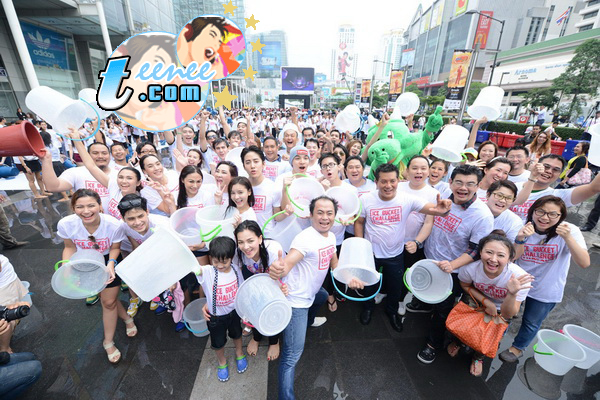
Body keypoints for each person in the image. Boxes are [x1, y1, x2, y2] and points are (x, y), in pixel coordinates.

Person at [268, 196, 363, 400]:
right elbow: (287, 263)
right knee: (292, 355)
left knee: (321, 296)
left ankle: (308, 322)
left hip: (311, 293)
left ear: (335, 217)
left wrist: (351, 279)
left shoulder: (330, 238)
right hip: (296, 301)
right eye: (319, 212)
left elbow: (335, 266)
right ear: (311, 215)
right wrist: (278, 269)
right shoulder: (305, 239)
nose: (325, 217)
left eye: (329, 213)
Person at [355, 163, 452, 331]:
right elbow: (359, 222)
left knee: (395, 286)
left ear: (398, 181)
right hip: (371, 253)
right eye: (383, 182)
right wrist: (360, 247)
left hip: (395, 254)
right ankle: (368, 308)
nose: (388, 185)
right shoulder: (366, 199)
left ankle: (392, 311)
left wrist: (441, 210)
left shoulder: (407, 199)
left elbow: (433, 209)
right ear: (376, 182)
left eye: (392, 181)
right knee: (369, 283)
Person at [413, 165, 494, 364]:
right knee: (425, 290)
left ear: (478, 186)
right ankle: (423, 305)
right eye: (458, 182)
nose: (463, 188)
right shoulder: (442, 195)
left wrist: (452, 265)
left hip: (454, 271)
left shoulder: (482, 215)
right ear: (450, 182)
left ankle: (433, 344)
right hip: (430, 257)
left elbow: (477, 250)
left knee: (443, 309)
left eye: (470, 184)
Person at [499, 196, 589, 362]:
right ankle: (495, 339)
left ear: (560, 217)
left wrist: (568, 238)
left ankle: (517, 348)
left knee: (531, 322)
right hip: (519, 283)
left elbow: (584, 262)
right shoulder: (522, 226)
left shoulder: (570, 231)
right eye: (540, 211)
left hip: (547, 287)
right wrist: (520, 239)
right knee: (506, 315)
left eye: (552, 214)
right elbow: (512, 258)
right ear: (533, 211)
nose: (545, 217)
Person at [57, 189, 134, 364]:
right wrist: (66, 268)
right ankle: (127, 319)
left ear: (100, 205)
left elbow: (115, 247)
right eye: (80, 207)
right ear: (73, 208)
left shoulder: (114, 224)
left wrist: (111, 263)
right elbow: (69, 247)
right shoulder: (66, 224)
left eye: (91, 205)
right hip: (82, 260)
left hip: (108, 259)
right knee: (106, 298)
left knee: (108, 302)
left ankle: (108, 341)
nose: (86, 211)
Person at [452, 231, 533, 376]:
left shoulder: (519, 278)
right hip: (478, 299)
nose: (493, 259)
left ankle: (478, 358)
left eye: (501, 255)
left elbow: (510, 313)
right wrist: (486, 302)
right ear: (481, 252)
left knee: (490, 336)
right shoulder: (470, 269)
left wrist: (512, 293)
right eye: (488, 252)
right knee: (464, 326)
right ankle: (459, 341)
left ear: (509, 258)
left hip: (504, 306)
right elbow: (465, 285)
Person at [196, 236, 248, 382]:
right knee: (218, 342)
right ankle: (222, 362)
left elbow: (242, 291)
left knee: (237, 334)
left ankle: (239, 353)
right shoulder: (207, 271)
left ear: (231, 258)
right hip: (215, 317)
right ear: (211, 258)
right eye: (216, 261)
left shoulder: (236, 270)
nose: (219, 265)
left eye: (224, 261)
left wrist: (245, 311)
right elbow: (193, 267)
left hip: (234, 313)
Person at [233, 221, 285, 361]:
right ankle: (256, 337)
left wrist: (280, 277)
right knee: (254, 307)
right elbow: (238, 275)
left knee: (272, 309)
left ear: (260, 239)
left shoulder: (274, 250)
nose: (246, 247)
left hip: (273, 283)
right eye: (241, 242)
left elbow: (283, 274)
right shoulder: (239, 253)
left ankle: (274, 341)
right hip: (253, 282)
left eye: (250, 241)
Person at [116, 194, 170, 318]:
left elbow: (170, 252)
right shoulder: (123, 226)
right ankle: (148, 295)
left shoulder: (162, 224)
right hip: (146, 254)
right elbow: (135, 244)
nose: (137, 222)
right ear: (123, 218)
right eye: (131, 219)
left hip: (165, 254)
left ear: (147, 212)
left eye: (141, 216)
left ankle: (161, 293)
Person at [241, 147, 291, 235]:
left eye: (256, 161)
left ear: (263, 164)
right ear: (244, 166)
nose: (252, 166)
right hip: (246, 237)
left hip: (267, 236)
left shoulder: (273, 187)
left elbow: (277, 216)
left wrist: (286, 213)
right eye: (248, 162)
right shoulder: (240, 188)